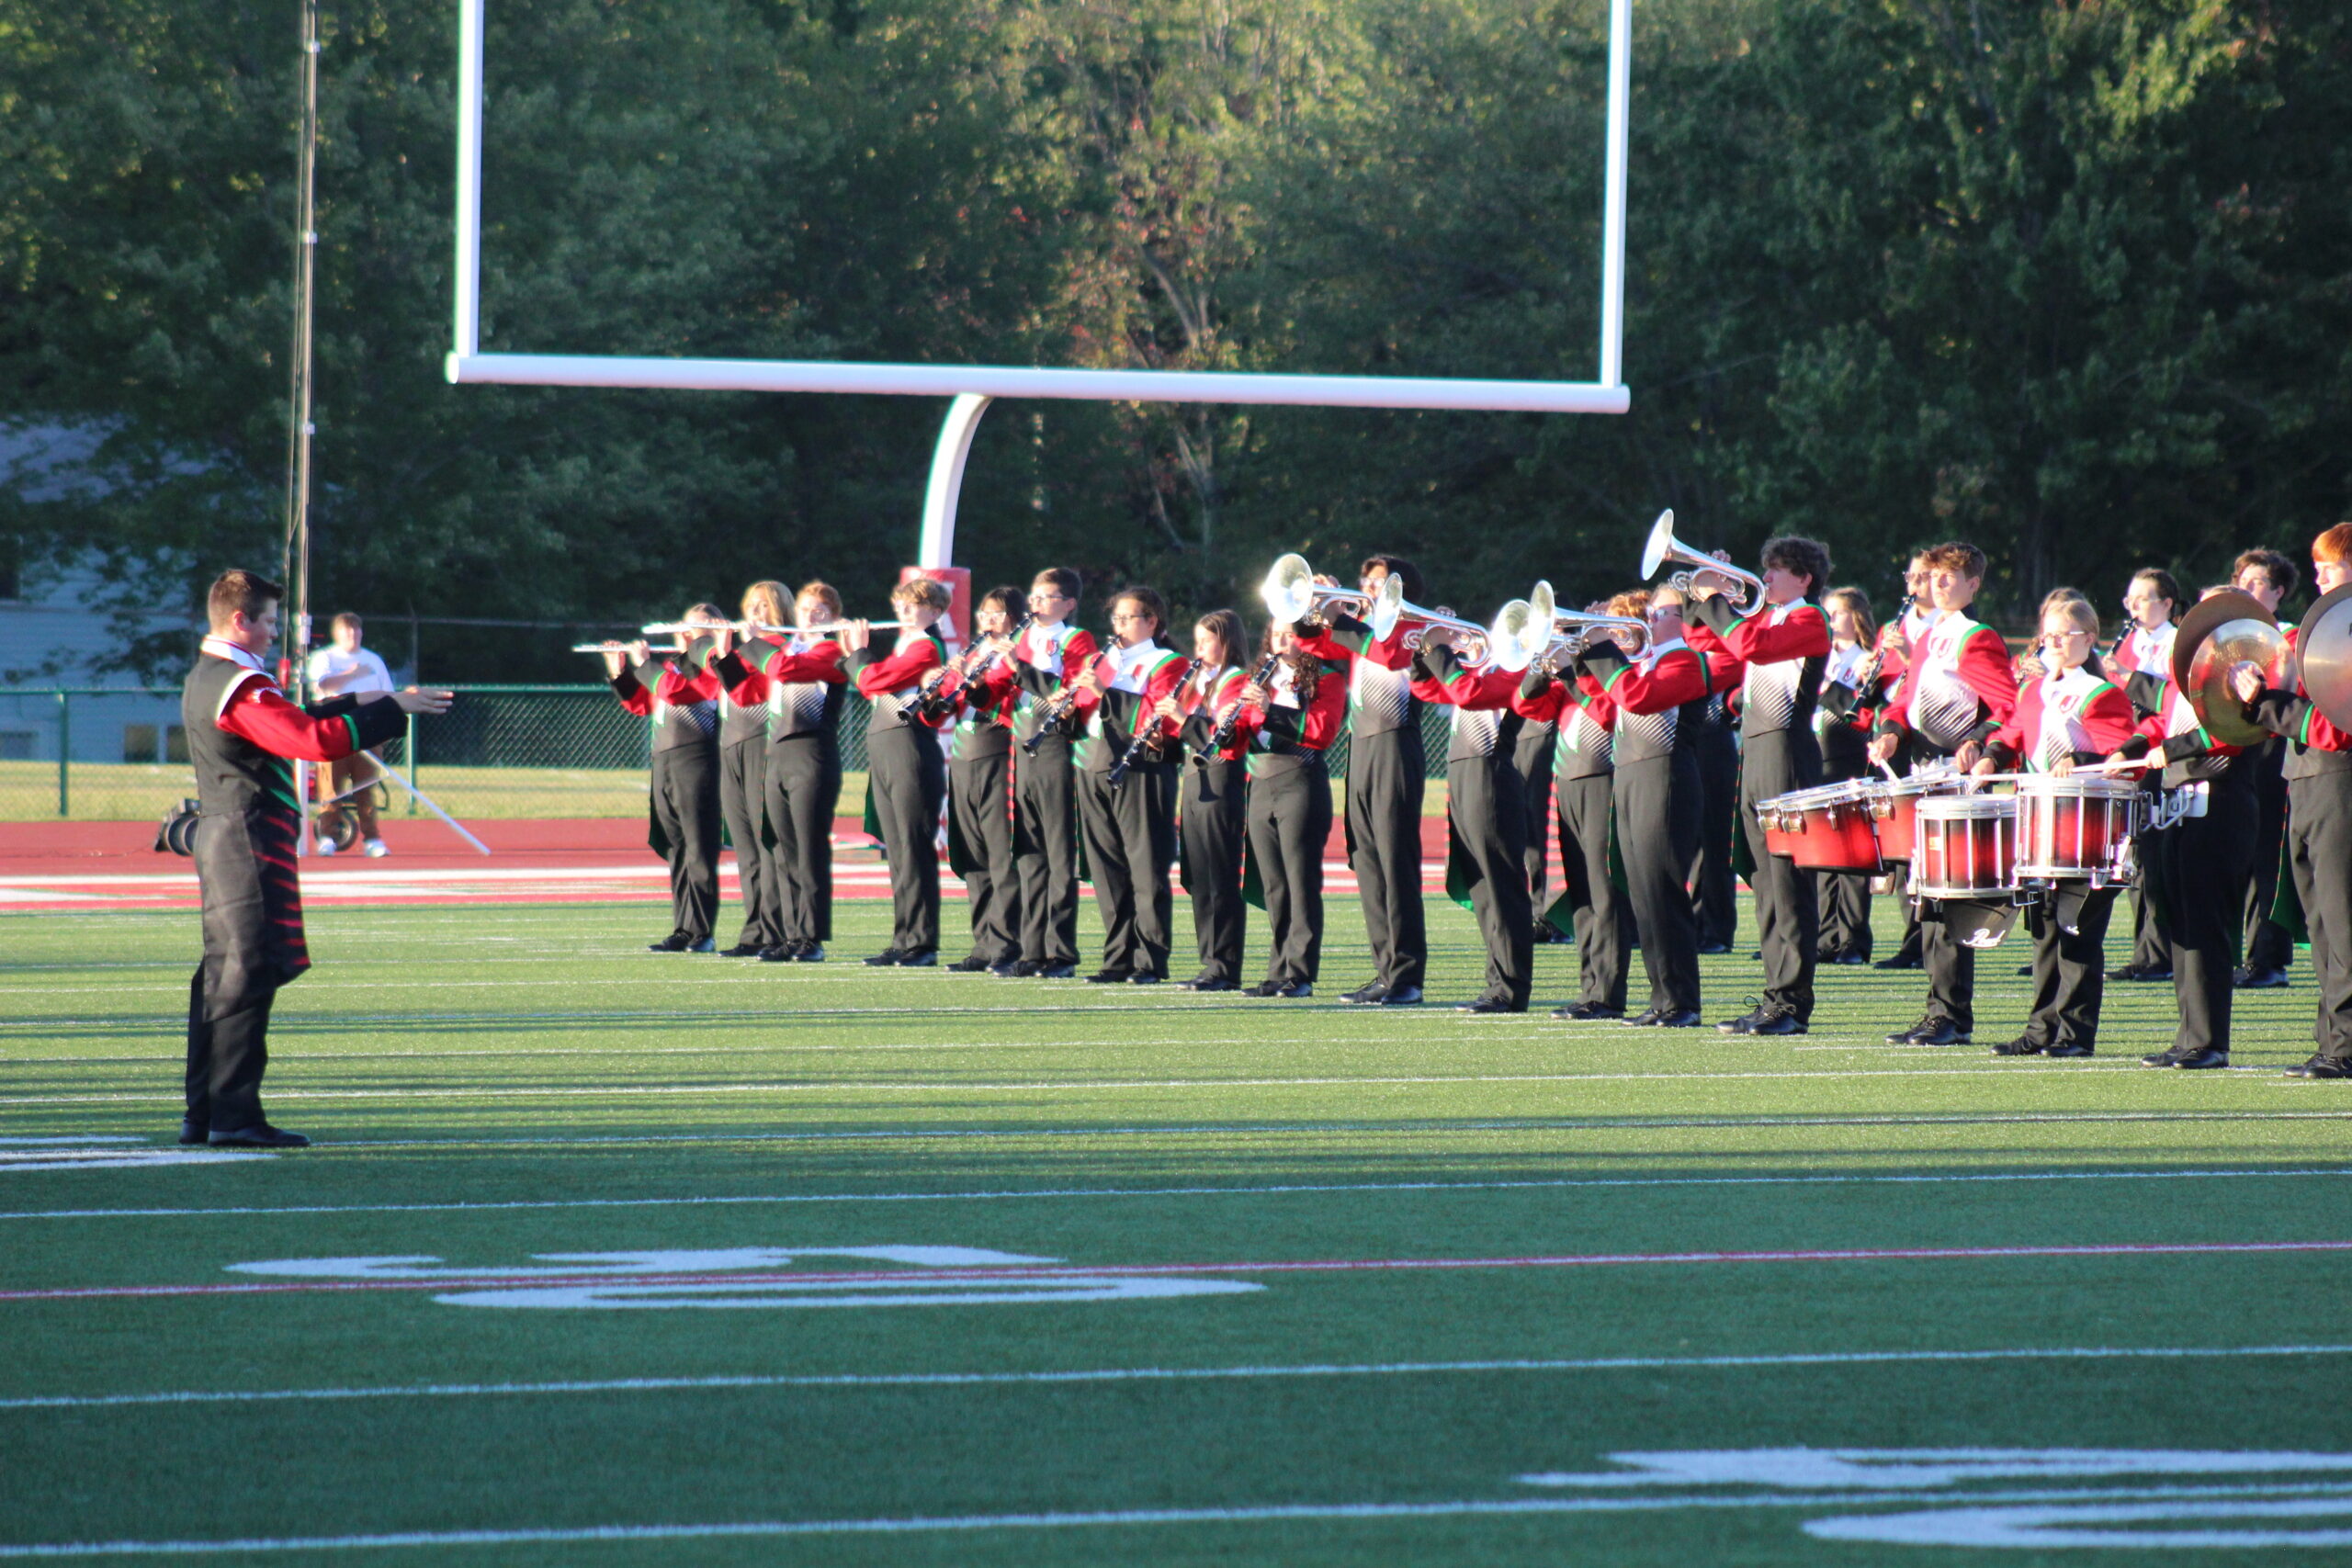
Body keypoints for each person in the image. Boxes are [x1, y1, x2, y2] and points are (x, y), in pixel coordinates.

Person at [182, 570, 449, 1147]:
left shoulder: (218, 675)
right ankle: (233, 1116)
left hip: (236, 836)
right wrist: (388, 712)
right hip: (246, 840)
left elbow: (301, 716)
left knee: (224, 976)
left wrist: (385, 700)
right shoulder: (237, 683)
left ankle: (205, 1112)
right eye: (270, 621)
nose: (276, 632)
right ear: (240, 621)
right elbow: (309, 738)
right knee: (245, 975)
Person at [1973, 593, 2138, 1057]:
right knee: (2044, 927)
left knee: (2078, 929)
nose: (2056, 642)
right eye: (2049, 634)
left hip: (2087, 826)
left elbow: (2125, 754)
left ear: (2089, 638)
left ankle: (2075, 1033)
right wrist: (1991, 757)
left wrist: (2082, 757)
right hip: (2038, 821)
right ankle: (2040, 1029)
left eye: (2065, 634)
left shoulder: (2101, 693)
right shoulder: (2034, 690)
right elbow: (2012, 734)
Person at [1868, 541, 2018, 1045]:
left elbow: (2007, 707)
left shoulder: (1976, 638)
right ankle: (1938, 1009)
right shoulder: (1931, 634)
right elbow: (1905, 699)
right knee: (1925, 899)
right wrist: (1890, 729)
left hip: (1957, 778)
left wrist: (1979, 742)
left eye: (1950, 578)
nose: (1939, 585)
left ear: (1973, 584)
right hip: (1921, 774)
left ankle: (1951, 1015)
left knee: (1948, 899)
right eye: (1933, 578)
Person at [1684, 537, 1834, 1034]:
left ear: (1804, 578)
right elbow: (1705, 641)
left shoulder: (1808, 618)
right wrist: (1703, 593)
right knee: (1767, 887)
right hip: (1757, 752)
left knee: (1789, 887)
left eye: (1775, 570)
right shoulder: (1766, 617)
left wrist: (1715, 600)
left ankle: (1792, 1004)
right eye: (1764, 569)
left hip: (1787, 754)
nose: (1764, 578)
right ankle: (1775, 997)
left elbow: (1752, 647)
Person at [1575, 585, 1741, 1026]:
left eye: (1660, 611)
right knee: (1643, 895)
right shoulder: (1645, 661)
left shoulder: (1686, 659)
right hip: (1630, 775)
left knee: (1663, 892)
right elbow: (1606, 704)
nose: (1648, 616)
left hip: (1664, 777)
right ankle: (1661, 997)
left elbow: (1639, 697)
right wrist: (1583, 650)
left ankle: (1681, 1002)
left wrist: (1603, 645)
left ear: (1683, 617)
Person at [2113, 584, 2255, 1069]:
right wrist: (2127, 751)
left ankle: (2210, 1041)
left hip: (2218, 805)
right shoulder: (2186, 678)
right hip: (2177, 803)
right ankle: (2189, 1034)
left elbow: (2232, 731)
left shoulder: (2241, 675)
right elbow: (2161, 724)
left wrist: (2170, 751)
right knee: (2180, 922)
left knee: (2208, 924)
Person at [2234, 523, 2352, 1077]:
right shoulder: (2318, 630)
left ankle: (2347, 1045)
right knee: (2320, 923)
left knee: (2344, 919)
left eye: (2330, 565)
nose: (2318, 574)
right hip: (2303, 780)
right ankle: (2333, 1038)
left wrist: (2270, 704)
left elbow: (2340, 726)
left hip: (2339, 779)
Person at [1295, 556, 1427, 1006]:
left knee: (1395, 861)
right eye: (1365, 581)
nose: (1368, 588)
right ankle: (1386, 971)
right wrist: (1308, 607)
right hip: (1362, 745)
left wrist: (1338, 613)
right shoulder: (1362, 627)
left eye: (1378, 582)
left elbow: (1387, 653)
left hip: (1394, 742)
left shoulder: (1415, 626)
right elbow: (1316, 647)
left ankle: (1408, 977)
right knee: (1367, 860)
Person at [1517, 604, 1635, 1021]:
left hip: (1603, 781)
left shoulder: (1612, 673)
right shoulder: (1578, 675)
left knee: (1604, 893)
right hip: (1568, 784)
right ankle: (1590, 988)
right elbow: (1527, 706)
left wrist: (1573, 669)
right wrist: (1543, 666)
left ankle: (1606, 993)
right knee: (1581, 891)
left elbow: (1606, 715)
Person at [1067, 586, 1189, 983]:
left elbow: (1156, 717)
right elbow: (1087, 712)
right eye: (1115, 619)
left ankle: (1150, 961)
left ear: (1151, 621)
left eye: (1127, 618)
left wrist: (1105, 692)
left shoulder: (1166, 661)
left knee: (1145, 867)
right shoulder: (1104, 660)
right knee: (1105, 868)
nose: (1118, 626)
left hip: (1141, 770)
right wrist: (1070, 703)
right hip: (1096, 765)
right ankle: (1117, 957)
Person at [1412, 629, 1533, 1012]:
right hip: (1464, 774)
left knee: (1501, 884)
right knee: (1482, 886)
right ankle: (1497, 983)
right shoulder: (1480, 670)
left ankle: (1511, 988)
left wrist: (1442, 649)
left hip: (1491, 773)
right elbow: (1426, 690)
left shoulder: (1516, 672)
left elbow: (1468, 693)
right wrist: (1423, 653)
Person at [842, 576, 953, 966]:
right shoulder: (905, 644)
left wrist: (858, 652)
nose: (904, 610)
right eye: (901, 603)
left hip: (910, 749)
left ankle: (921, 942)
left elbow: (873, 680)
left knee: (913, 848)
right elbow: (873, 686)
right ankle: (904, 938)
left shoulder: (926, 646)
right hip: (888, 749)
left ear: (935, 612)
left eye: (915, 604)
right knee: (897, 851)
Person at [1230, 619, 1344, 997]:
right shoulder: (1257, 679)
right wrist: (1228, 725)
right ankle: (1277, 970)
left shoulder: (1326, 679)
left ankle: (1301, 973)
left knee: (1300, 881)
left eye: (1289, 632)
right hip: (1260, 782)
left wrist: (1269, 710)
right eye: (1275, 633)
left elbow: (1321, 731)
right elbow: (1244, 734)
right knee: (1274, 885)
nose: (1281, 640)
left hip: (1300, 780)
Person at [607, 605, 727, 953]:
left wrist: (645, 665)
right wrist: (621, 673)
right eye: (686, 625)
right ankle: (683, 928)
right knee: (676, 847)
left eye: (696, 628)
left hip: (697, 760)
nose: (685, 633)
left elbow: (677, 692)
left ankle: (702, 930)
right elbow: (641, 704)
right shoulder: (670, 666)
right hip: (664, 761)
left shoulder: (709, 666)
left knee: (698, 848)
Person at [744, 581, 850, 963]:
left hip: (812, 756)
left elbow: (786, 670)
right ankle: (790, 934)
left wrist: (755, 642)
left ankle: (812, 938)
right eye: (806, 609)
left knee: (809, 849)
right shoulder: (787, 647)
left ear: (833, 618)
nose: (810, 616)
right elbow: (751, 687)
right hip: (778, 755)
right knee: (783, 850)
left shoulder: (832, 651)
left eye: (820, 611)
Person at [1008, 568, 1099, 979]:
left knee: (1060, 853)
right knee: (1029, 854)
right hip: (1022, 745)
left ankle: (1059, 952)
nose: (1036, 603)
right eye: (1034, 595)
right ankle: (1031, 949)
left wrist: (1018, 668)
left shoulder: (1075, 640)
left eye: (1046, 596)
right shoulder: (1022, 638)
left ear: (1069, 603)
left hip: (1055, 746)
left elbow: (1068, 691)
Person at [1162, 611, 1251, 991]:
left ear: (1226, 641)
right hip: (1195, 779)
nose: (1198, 649)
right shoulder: (1202, 681)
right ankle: (1209, 961)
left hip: (1220, 778)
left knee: (1219, 876)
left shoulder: (1236, 680)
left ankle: (1224, 966)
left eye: (1206, 641)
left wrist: (1182, 716)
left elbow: (1223, 736)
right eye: (1196, 640)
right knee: (1198, 876)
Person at [940, 587, 1025, 974]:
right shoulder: (975, 652)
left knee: (998, 851)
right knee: (973, 853)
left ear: (1014, 617)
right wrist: (945, 682)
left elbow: (994, 696)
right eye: (984, 613)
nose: (988, 620)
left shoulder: (1015, 654)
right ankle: (983, 943)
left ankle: (1007, 942)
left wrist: (970, 681)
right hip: (965, 752)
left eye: (997, 613)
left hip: (997, 748)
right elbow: (952, 703)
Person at [2107, 567, 2182, 983]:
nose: (2132, 606)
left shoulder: (2176, 642)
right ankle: (2145, 950)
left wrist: (2124, 677)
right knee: (2134, 856)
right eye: (2129, 599)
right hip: (2127, 752)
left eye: (2142, 599)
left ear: (2166, 603)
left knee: (2153, 856)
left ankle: (2157, 953)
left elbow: (2167, 702)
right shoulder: (2132, 643)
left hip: (2156, 754)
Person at [2231, 547, 2301, 989]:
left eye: (2256, 581)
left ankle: (2269, 958)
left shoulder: (2292, 635)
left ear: (2277, 591)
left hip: (2274, 752)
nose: (2246, 587)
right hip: (2235, 754)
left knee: (2268, 859)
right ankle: (2244, 953)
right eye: (2241, 579)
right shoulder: (2232, 634)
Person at [707, 582, 789, 957]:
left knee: (765, 841)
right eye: (751, 606)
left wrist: (731, 654)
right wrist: (718, 651)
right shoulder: (748, 649)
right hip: (732, 744)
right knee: (744, 846)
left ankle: (777, 930)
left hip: (762, 742)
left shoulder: (779, 648)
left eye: (764, 606)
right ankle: (755, 929)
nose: (755, 612)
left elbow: (750, 692)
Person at [1874, 553, 1939, 970]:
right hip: (1899, 742)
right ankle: (1910, 939)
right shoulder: (1892, 626)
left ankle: (1929, 941)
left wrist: (1912, 653)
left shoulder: (1948, 628)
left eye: (1922, 576)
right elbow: (1891, 692)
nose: (1913, 583)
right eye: (1910, 575)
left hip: (1936, 747)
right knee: (1902, 849)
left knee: (1934, 851)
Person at [1815, 587, 1885, 964]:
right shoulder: (1817, 656)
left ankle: (1854, 941)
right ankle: (1825, 938)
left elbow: (1863, 716)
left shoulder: (1867, 659)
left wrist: (1832, 688)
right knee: (1823, 855)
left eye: (1837, 613)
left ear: (1855, 617)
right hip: (1818, 760)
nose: (1830, 620)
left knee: (1853, 857)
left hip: (1851, 761)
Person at [303, 612, 395, 857]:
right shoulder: (324, 657)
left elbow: (388, 694)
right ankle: (327, 837)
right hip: (333, 732)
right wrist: (352, 675)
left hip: (367, 733)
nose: (352, 635)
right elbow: (319, 686)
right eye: (346, 630)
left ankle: (372, 840)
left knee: (366, 789)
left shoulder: (373, 660)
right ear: (337, 634)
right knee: (330, 788)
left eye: (356, 630)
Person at [1513, 685, 1562, 944]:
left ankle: (1551, 915)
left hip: (1542, 725)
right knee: (1526, 827)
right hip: (1516, 729)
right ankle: (1540, 911)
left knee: (1541, 826)